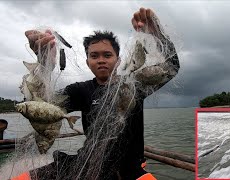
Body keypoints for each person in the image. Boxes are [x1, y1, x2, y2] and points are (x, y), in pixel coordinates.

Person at [13, 7, 179, 180]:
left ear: (118, 60)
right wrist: (44, 64)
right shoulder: (79, 90)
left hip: (128, 169)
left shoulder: (135, 85)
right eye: (94, 56)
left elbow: (171, 67)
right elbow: (36, 110)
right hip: (86, 161)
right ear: (87, 61)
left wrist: (156, 33)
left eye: (107, 55)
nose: (101, 60)